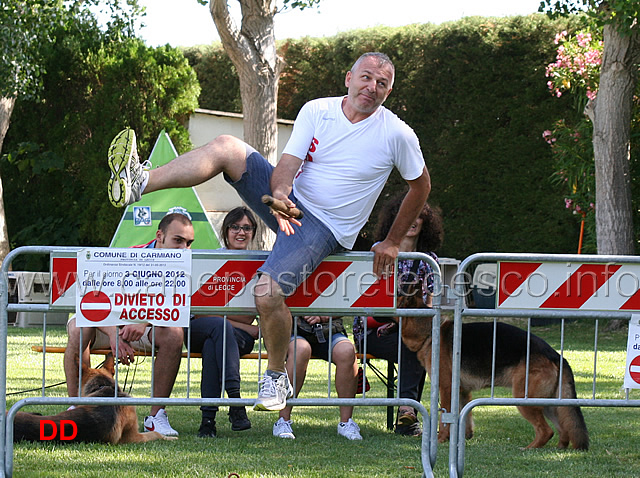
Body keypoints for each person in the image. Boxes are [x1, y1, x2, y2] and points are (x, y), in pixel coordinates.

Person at [107, 51, 431, 413]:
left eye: (382, 83)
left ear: (388, 92)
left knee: (267, 292)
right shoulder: (316, 110)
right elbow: (287, 166)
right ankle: (140, 181)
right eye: (366, 77)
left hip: (326, 228)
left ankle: (276, 376)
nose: (372, 87)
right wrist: (279, 195)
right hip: (289, 204)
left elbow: (420, 187)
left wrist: (390, 241)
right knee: (228, 147)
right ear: (348, 78)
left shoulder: (398, 134)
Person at [64, 212, 194, 436]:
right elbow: (92, 304)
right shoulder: (129, 255)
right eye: (178, 240)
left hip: (147, 328)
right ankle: (77, 404)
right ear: (160, 236)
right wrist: (115, 334)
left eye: (189, 242)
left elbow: (177, 309)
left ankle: (156, 416)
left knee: (174, 334)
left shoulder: (188, 263)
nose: (184, 248)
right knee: (78, 326)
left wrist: (144, 320)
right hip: (110, 324)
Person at [353, 194, 444, 436]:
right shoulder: (375, 254)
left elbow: (429, 309)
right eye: (407, 215)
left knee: (418, 342)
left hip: (410, 330)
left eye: (419, 216)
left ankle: (408, 414)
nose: (413, 220)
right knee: (414, 343)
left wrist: (404, 321)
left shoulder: (429, 262)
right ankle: (408, 412)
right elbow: (365, 305)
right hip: (372, 330)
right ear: (396, 220)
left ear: (426, 222)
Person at [186, 207, 259, 438]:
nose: (241, 232)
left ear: (253, 232)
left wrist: (220, 316)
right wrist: (239, 322)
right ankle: (235, 401)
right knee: (218, 329)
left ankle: (208, 420)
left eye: (247, 228)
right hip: (198, 331)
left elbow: (254, 326)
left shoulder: (259, 265)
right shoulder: (210, 261)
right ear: (226, 230)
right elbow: (200, 315)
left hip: (234, 338)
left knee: (216, 338)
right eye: (235, 227)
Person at [272, 315, 362, 441]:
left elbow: (347, 304)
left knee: (347, 350)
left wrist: (324, 316)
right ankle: (282, 421)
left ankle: (346, 423)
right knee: (301, 350)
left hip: (330, 330)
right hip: (292, 329)